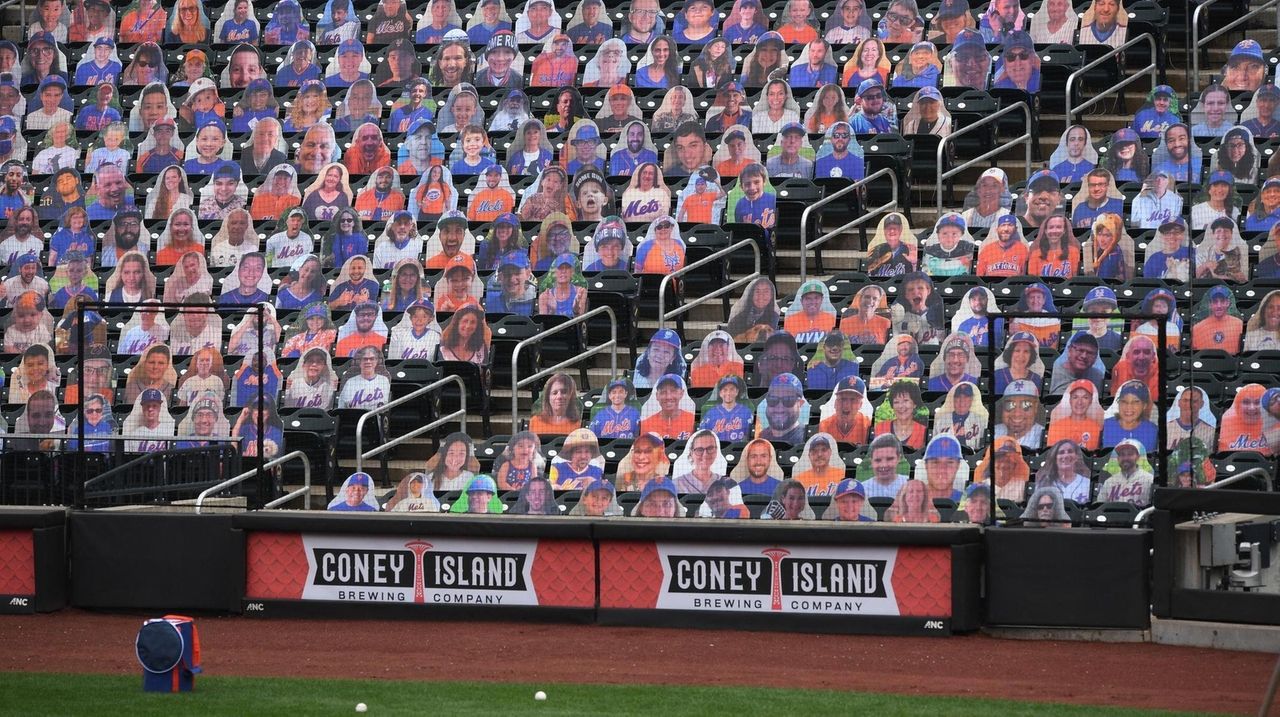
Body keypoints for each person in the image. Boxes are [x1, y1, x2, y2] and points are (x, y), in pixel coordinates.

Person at [1047, 379, 1104, 451]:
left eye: (1085, 397)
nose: (1079, 402)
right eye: (1075, 397)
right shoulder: (1057, 427)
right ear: (1070, 400)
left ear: (1090, 401)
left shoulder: (1096, 428)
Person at [1100, 381, 1158, 451]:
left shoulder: (1152, 431)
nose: (1129, 407)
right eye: (1124, 401)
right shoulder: (1104, 426)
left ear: (1144, 405)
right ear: (1118, 403)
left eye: (1135, 402)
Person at [1096, 439, 1153, 507]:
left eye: (1130, 454)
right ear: (1118, 458)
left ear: (1137, 457)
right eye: (1122, 455)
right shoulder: (1109, 482)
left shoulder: (1149, 479)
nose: (1125, 458)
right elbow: (1100, 506)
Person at [1035, 439, 1093, 505]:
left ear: (1076, 457)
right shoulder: (1043, 484)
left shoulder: (1087, 483)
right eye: (1061, 452)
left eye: (1070, 451)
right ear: (1054, 458)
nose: (1066, 456)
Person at [1219, 383, 1269, 455]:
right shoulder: (1225, 424)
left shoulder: (1275, 425)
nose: (1252, 408)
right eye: (1246, 402)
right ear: (1238, 405)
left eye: (1257, 402)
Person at [1191, 285, 1243, 354]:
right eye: (1215, 302)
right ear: (1210, 304)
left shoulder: (1239, 325)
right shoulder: (1197, 328)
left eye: (1222, 301)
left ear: (1228, 303)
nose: (1219, 306)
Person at [994, 379, 1044, 450]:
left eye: (1026, 405)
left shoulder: (1043, 436)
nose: (1017, 414)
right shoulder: (994, 432)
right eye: (1010, 405)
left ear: (1035, 408)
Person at [673, 430, 726, 494]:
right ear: (691, 453)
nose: (705, 455)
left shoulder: (724, 482)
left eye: (710, 448)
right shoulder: (676, 483)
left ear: (716, 450)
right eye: (699, 450)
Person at [529, 372, 581, 436]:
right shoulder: (535, 422)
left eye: (564, 392)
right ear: (548, 397)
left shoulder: (579, 425)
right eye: (554, 393)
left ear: (571, 396)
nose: (559, 397)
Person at [861, 433, 908, 499]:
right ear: (871, 461)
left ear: (898, 458)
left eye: (889, 459)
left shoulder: (910, 486)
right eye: (878, 460)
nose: (884, 465)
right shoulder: (861, 490)